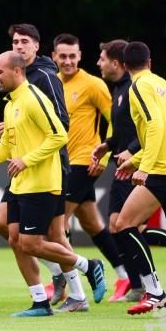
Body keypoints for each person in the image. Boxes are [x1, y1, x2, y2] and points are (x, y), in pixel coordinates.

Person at [0, 51, 104, 317]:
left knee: (32, 243)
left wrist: (26, 161)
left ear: (17, 71)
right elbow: (6, 148)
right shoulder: (10, 104)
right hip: (20, 185)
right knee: (15, 240)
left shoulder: (34, 99)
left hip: (42, 183)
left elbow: (59, 136)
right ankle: (40, 301)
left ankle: (89, 265)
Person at [92, 40, 166, 303]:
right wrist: (135, 160)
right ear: (150, 62)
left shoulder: (138, 87)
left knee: (123, 225)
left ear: (124, 65)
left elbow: (155, 127)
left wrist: (144, 168)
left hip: (163, 170)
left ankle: (154, 291)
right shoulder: (165, 86)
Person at [3, 24, 101, 305]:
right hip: (22, 166)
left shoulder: (45, 76)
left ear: (36, 45)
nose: (18, 46)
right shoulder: (17, 76)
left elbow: (61, 125)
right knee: (12, 231)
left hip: (49, 166)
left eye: (24, 42)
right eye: (15, 42)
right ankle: (61, 278)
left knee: (52, 234)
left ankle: (77, 290)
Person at [52, 34, 130, 296]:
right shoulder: (52, 83)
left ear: (80, 56)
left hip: (85, 161)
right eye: (62, 56)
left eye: (72, 56)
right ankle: (125, 276)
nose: (68, 61)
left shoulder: (93, 84)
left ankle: (69, 284)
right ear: (54, 57)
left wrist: (106, 157)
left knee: (57, 222)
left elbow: (116, 120)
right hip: (63, 162)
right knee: (91, 223)